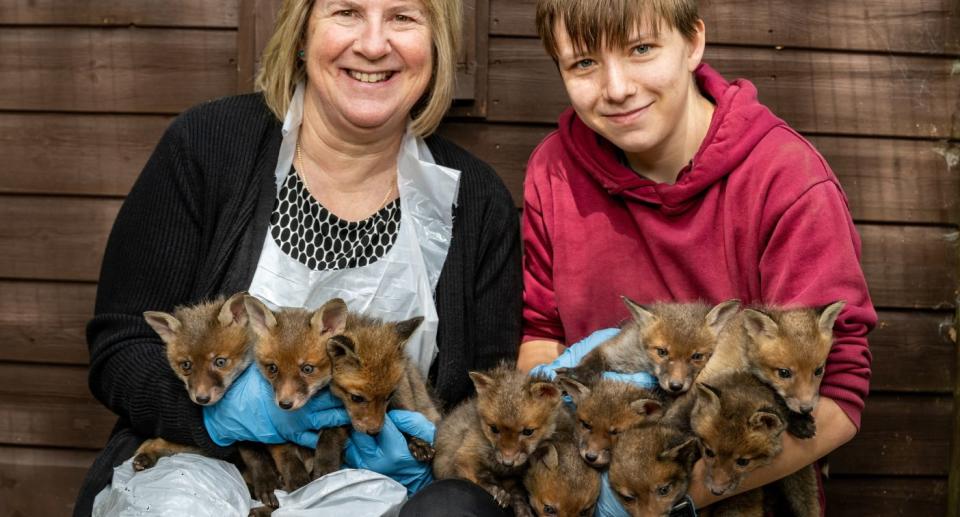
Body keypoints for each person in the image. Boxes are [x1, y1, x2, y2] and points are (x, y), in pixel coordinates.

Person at [73, 0, 521, 515]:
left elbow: (487, 395)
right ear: (302, 33)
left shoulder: (475, 199)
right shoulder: (210, 146)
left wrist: (430, 453)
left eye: (403, 17)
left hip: (383, 491)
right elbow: (120, 344)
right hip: (199, 476)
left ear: (435, 47)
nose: (374, 45)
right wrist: (219, 416)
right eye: (346, 12)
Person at [515, 0, 876, 513]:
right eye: (584, 63)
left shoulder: (787, 178)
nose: (616, 88)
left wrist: (661, 497)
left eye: (641, 49)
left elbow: (837, 396)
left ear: (692, 42)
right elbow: (541, 334)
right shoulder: (554, 170)